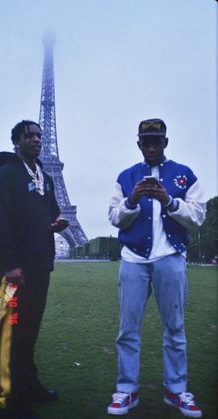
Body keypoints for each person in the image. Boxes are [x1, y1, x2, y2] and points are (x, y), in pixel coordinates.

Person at [107, 118, 206, 418]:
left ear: (165, 142)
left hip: (170, 257)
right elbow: (114, 217)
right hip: (134, 259)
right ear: (138, 144)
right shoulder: (126, 177)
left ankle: (176, 390)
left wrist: (169, 201)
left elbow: (198, 217)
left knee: (175, 327)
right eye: (146, 141)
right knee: (127, 329)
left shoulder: (184, 175)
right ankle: (126, 390)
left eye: (156, 140)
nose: (151, 146)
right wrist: (132, 200)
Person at [0, 120, 69, 419]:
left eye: (39, 136)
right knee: (10, 332)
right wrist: (9, 265)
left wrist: (55, 223)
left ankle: (28, 385)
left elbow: (52, 211)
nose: (36, 140)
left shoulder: (45, 177)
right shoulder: (6, 175)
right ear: (16, 141)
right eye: (29, 136)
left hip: (39, 268)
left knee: (28, 332)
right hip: (15, 271)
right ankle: (7, 401)